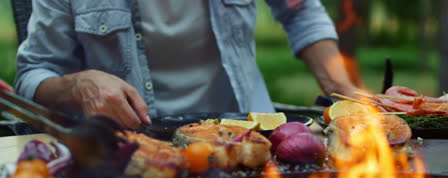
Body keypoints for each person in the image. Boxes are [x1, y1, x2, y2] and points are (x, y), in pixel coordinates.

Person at [15, 0, 359, 130]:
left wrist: (341, 88)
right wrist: (81, 84)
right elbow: (33, 75)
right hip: (137, 151)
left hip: (253, 138)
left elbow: (301, 11)